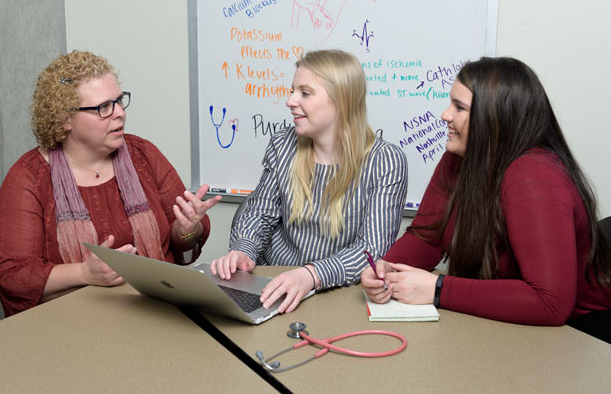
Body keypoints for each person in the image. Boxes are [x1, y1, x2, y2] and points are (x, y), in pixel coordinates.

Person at [362, 57, 611, 343]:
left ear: (494, 118)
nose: (445, 115)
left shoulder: (535, 176)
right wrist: (386, 269)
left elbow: (551, 304)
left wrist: (439, 288)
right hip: (506, 320)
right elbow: (427, 237)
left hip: (580, 334)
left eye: (459, 108)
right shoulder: (457, 159)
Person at [0, 51, 221, 316]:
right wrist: (84, 273)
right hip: (73, 327)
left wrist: (186, 228)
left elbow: (180, 247)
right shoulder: (28, 179)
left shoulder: (143, 155)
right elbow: (14, 278)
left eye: (119, 101)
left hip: (156, 313)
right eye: (103, 108)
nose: (120, 113)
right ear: (64, 120)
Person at [211, 49, 408, 314]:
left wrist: (311, 275)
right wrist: (243, 251)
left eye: (305, 93)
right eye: (293, 90)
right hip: (274, 284)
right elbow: (259, 213)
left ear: (342, 99)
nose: (290, 101)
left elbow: (370, 250)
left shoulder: (385, 161)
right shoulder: (283, 144)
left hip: (339, 294)